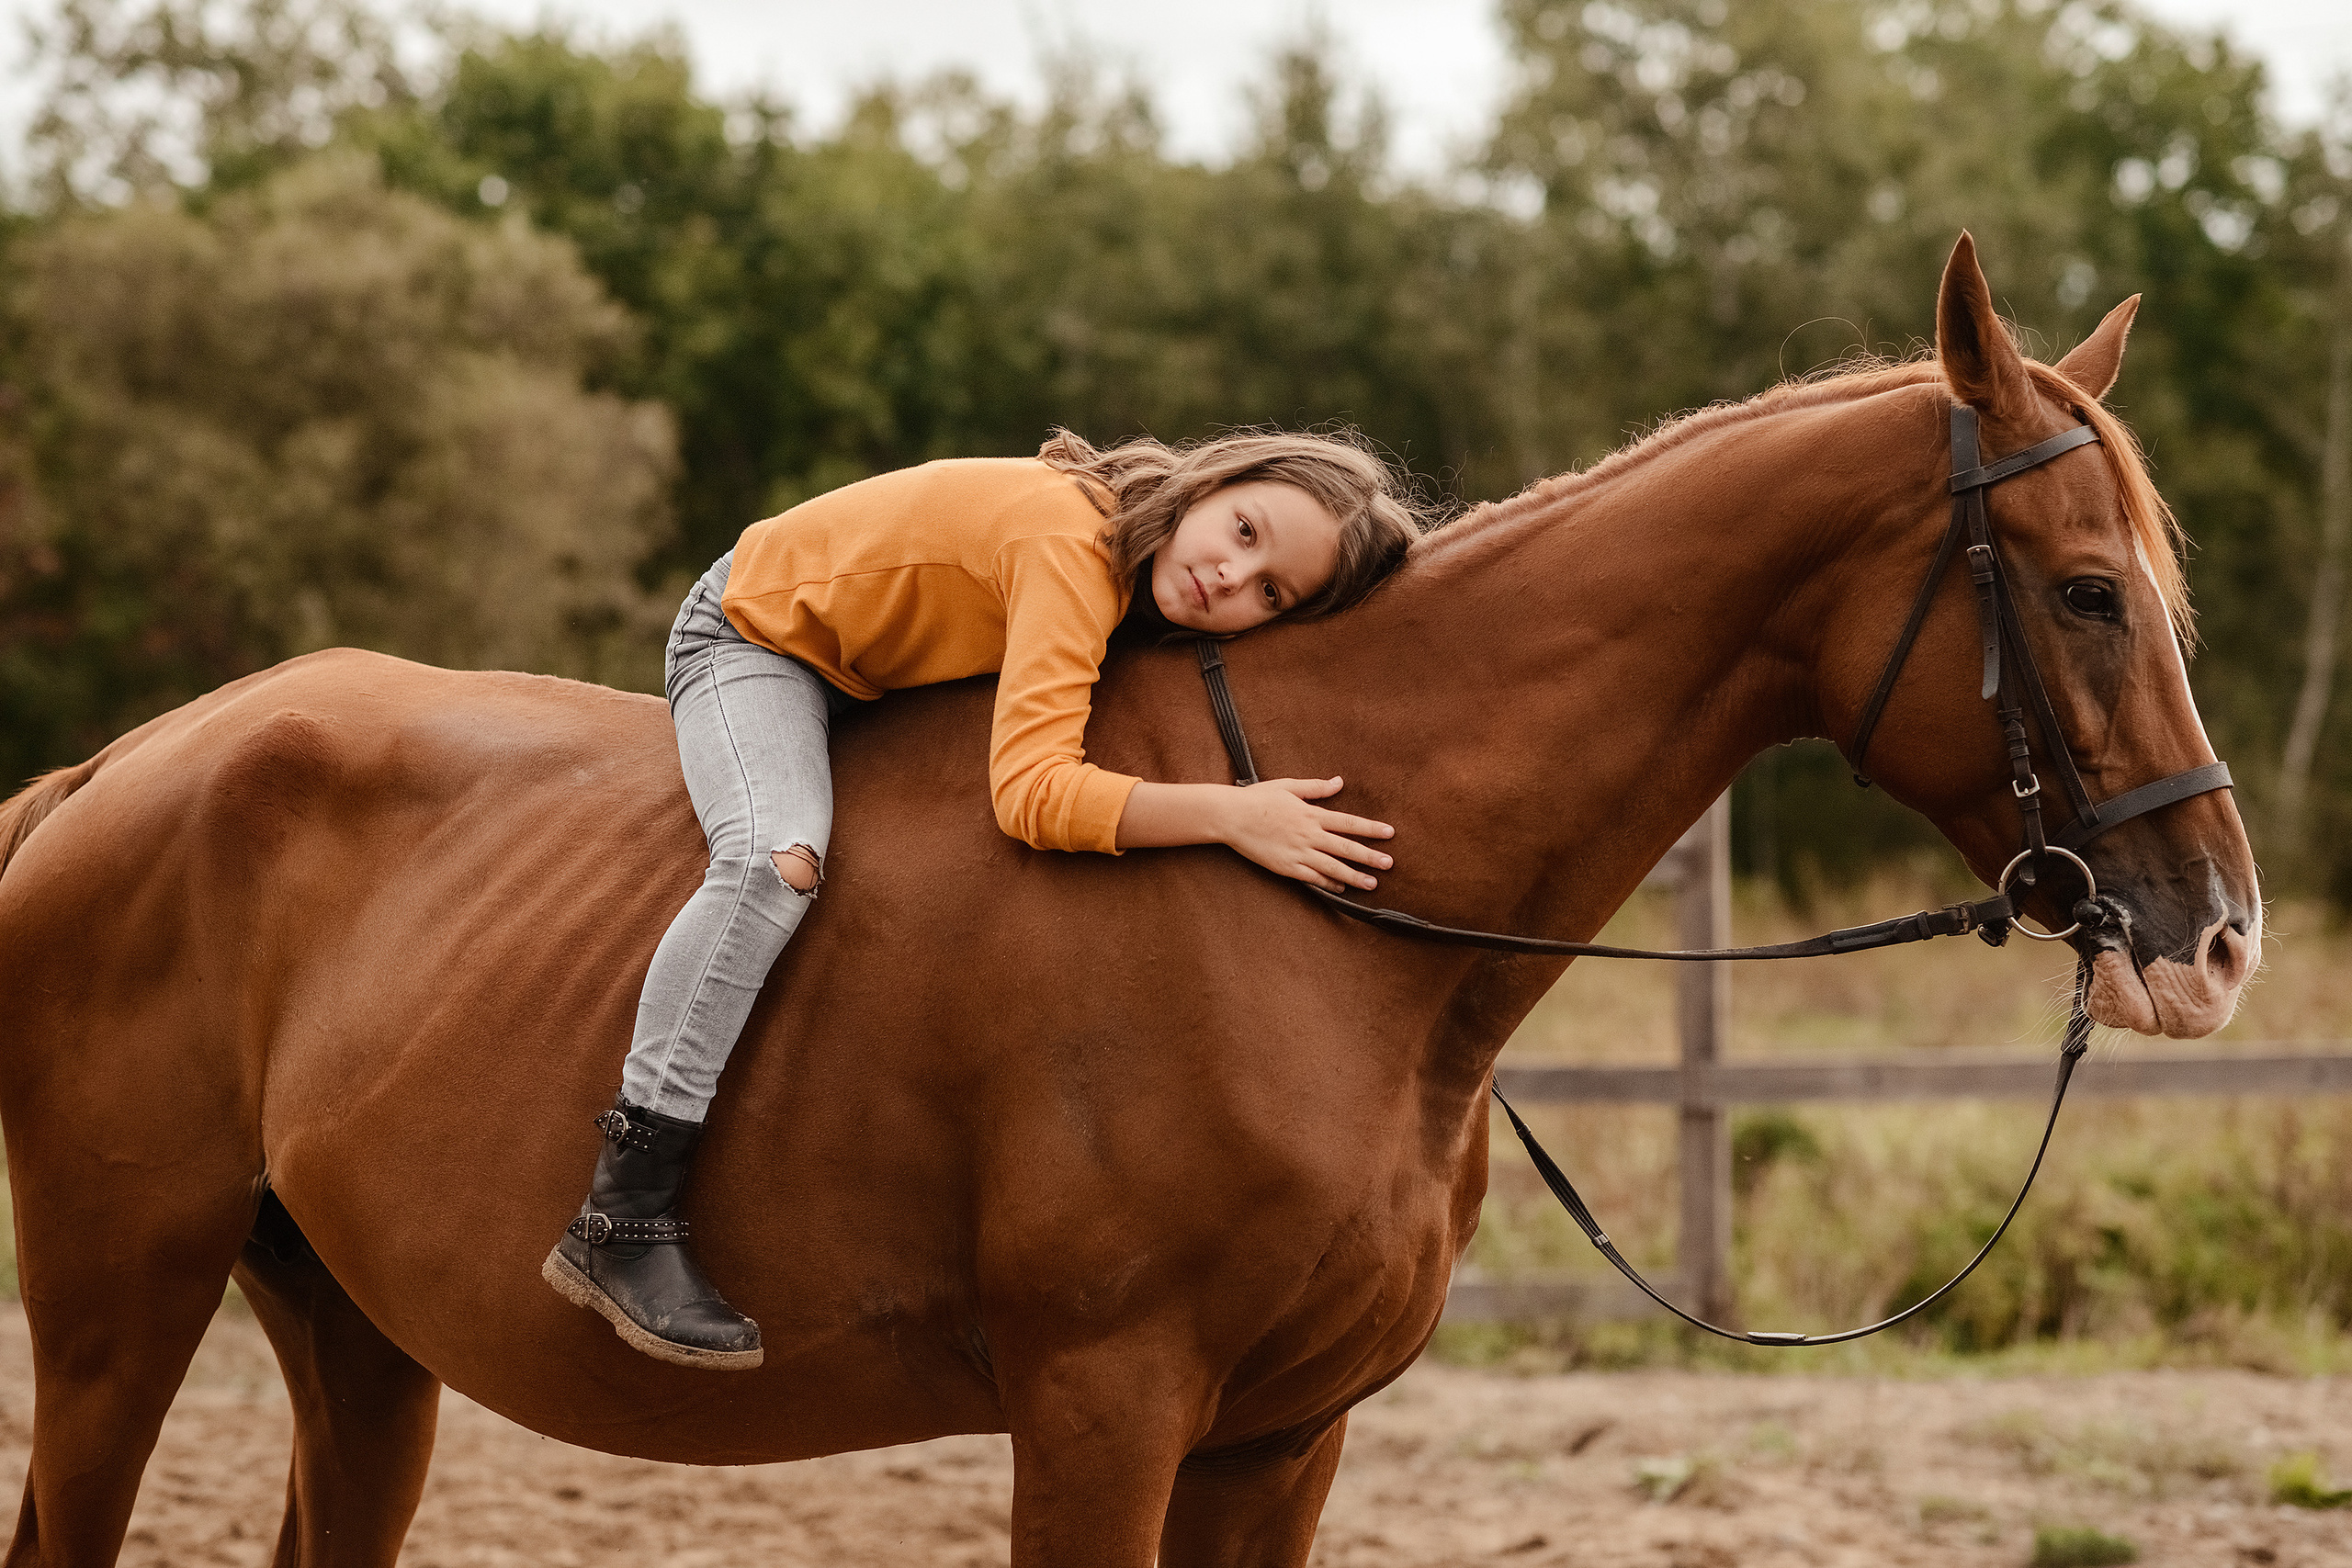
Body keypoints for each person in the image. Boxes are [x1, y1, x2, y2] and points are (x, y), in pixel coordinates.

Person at [542, 427, 1432, 1370]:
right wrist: (1231, 815)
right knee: (774, 863)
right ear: (1211, 485)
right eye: (1243, 531)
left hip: (883, 673)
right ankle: (624, 1209)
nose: (1230, 577)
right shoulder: (1070, 546)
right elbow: (1033, 796)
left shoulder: (1136, 575)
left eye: (1270, 593)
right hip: (757, 637)